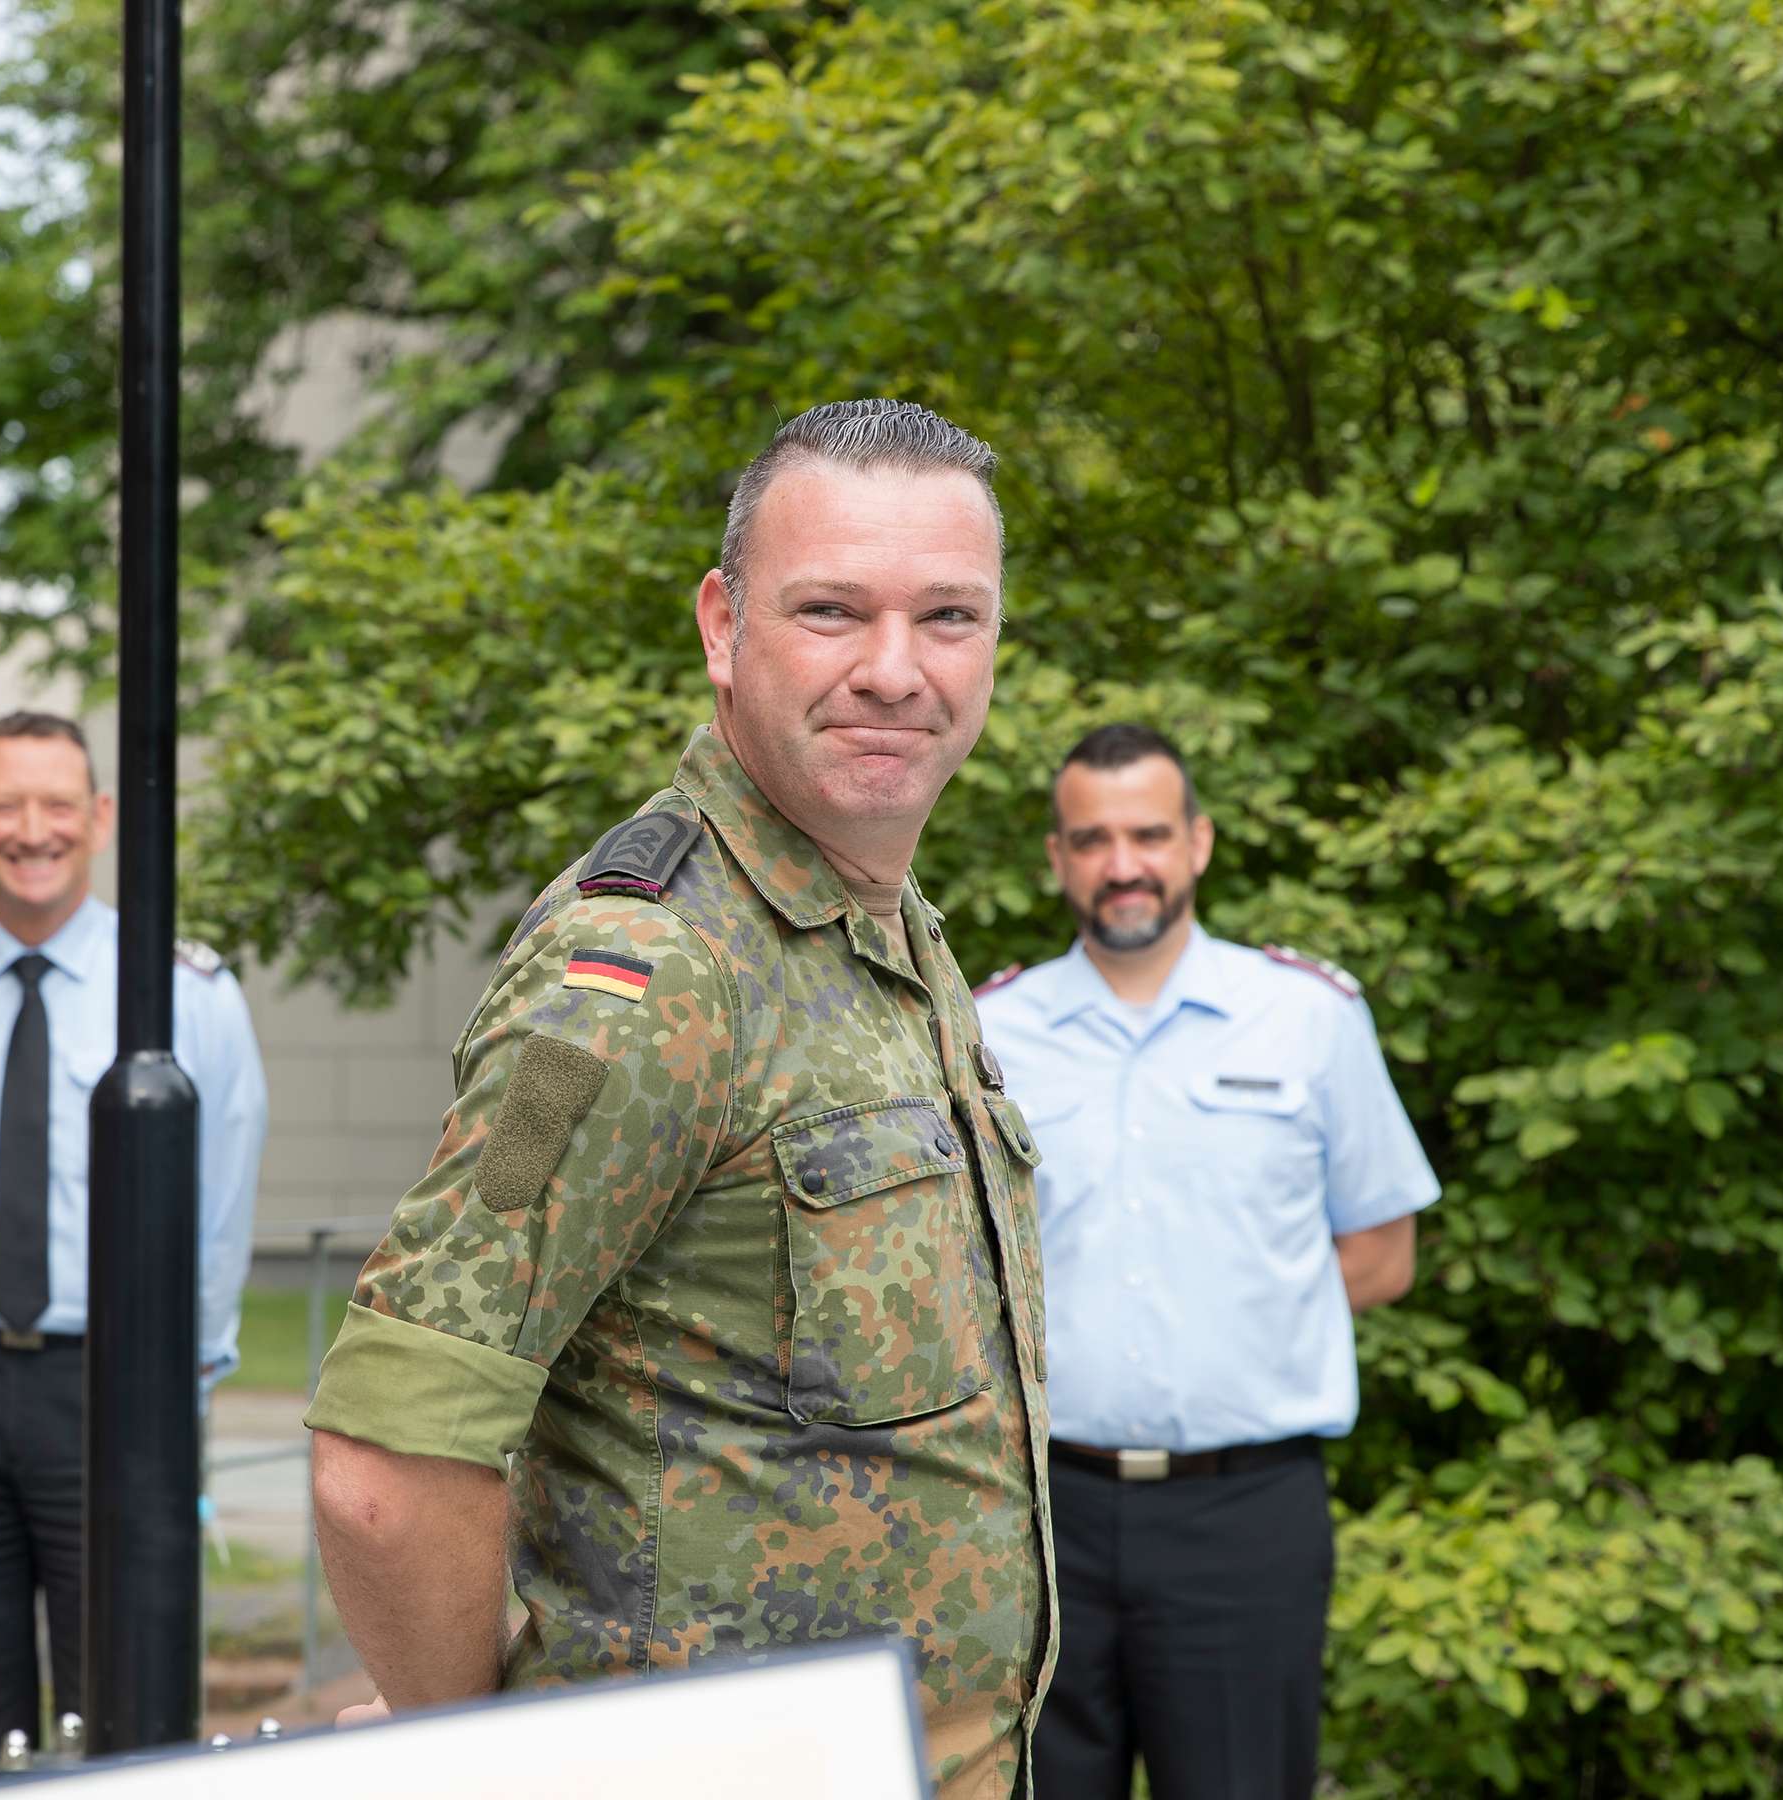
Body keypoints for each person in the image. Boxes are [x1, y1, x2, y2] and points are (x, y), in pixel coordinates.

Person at [303, 400, 1054, 1799]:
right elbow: (387, 1455)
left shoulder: (887, 937)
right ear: (723, 626)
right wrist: (483, 1765)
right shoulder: (645, 977)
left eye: (948, 617)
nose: (896, 670)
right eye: (831, 611)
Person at [973, 724, 1437, 1800]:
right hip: (1038, 1514)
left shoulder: (1307, 1019)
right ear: (1055, 858)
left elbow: (1380, 1253)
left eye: (1146, 834)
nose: (1121, 863)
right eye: (1091, 839)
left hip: (1244, 1515)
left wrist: (1225, 1328)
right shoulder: (991, 1031)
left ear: (1198, 843)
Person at [0, 710, 269, 1760]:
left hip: (118, 1381)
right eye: (3, 805)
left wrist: (183, 1391)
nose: (27, 830)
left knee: (127, 1706)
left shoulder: (187, 1000)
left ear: (98, 820)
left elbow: (217, 1216)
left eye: (52, 806)